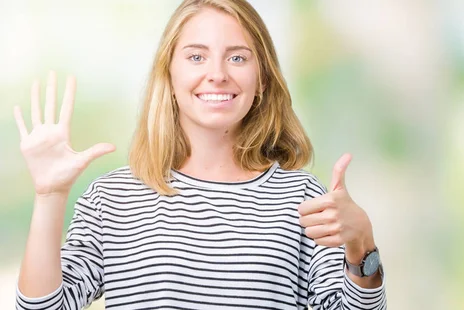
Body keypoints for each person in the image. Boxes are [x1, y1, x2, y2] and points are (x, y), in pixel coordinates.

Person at [13, 0, 386, 309]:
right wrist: (49, 196)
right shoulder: (113, 199)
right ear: (169, 75)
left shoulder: (302, 198)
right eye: (196, 57)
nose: (217, 74)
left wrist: (362, 246)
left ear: (262, 81)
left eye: (238, 58)